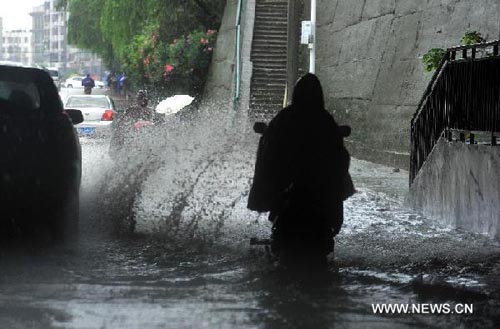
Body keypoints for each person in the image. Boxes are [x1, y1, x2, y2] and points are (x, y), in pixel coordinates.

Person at [247, 73, 354, 260]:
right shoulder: (325, 119)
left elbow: (270, 150)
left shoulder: (286, 117)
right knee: (333, 190)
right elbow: (339, 158)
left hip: (295, 185)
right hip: (313, 189)